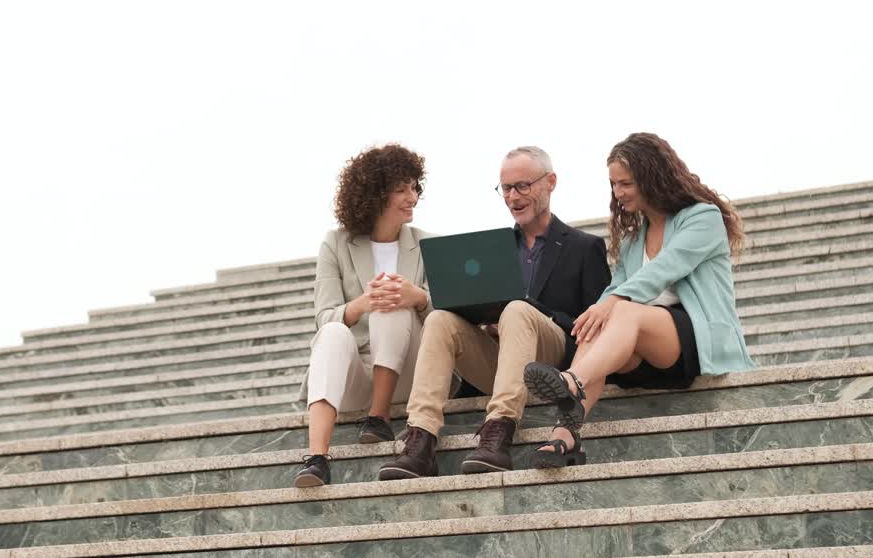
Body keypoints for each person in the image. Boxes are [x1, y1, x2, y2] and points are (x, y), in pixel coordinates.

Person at [524, 132, 756, 467]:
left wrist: (612, 303)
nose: (618, 193)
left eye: (626, 184)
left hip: (693, 341)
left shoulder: (702, 218)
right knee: (600, 325)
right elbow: (615, 288)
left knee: (624, 311)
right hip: (641, 349)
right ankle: (565, 437)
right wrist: (599, 309)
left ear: (651, 177)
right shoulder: (634, 241)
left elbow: (665, 268)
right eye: (613, 185)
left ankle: (573, 381)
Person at [378, 146, 610, 479]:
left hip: (554, 364)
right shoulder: (493, 251)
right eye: (506, 188)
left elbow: (597, 329)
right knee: (441, 318)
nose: (513, 196)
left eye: (523, 186)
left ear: (551, 183)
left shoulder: (584, 247)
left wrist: (528, 312)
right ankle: (421, 438)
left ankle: (498, 431)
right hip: (500, 363)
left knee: (516, 309)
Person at [294, 144, 433, 487]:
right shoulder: (335, 244)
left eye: (415, 187)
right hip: (355, 378)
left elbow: (448, 323)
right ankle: (316, 459)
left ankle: (379, 417)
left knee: (394, 298)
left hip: (410, 372)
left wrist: (416, 298)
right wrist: (362, 303)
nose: (412, 196)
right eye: (401, 189)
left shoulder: (428, 244)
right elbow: (324, 317)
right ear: (374, 194)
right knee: (332, 332)